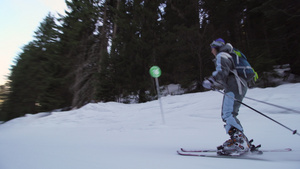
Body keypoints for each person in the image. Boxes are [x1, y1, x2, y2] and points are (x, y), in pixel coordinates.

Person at [202, 38, 250, 155]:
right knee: (230, 113)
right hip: (238, 85)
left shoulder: (222, 54)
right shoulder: (229, 54)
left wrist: (211, 80)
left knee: (228, 114)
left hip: (234, 86)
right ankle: (240, 140)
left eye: (212, 49)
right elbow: (227, 73)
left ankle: (239, 142)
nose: (211, 51)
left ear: (216, 47)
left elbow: (222, 71)